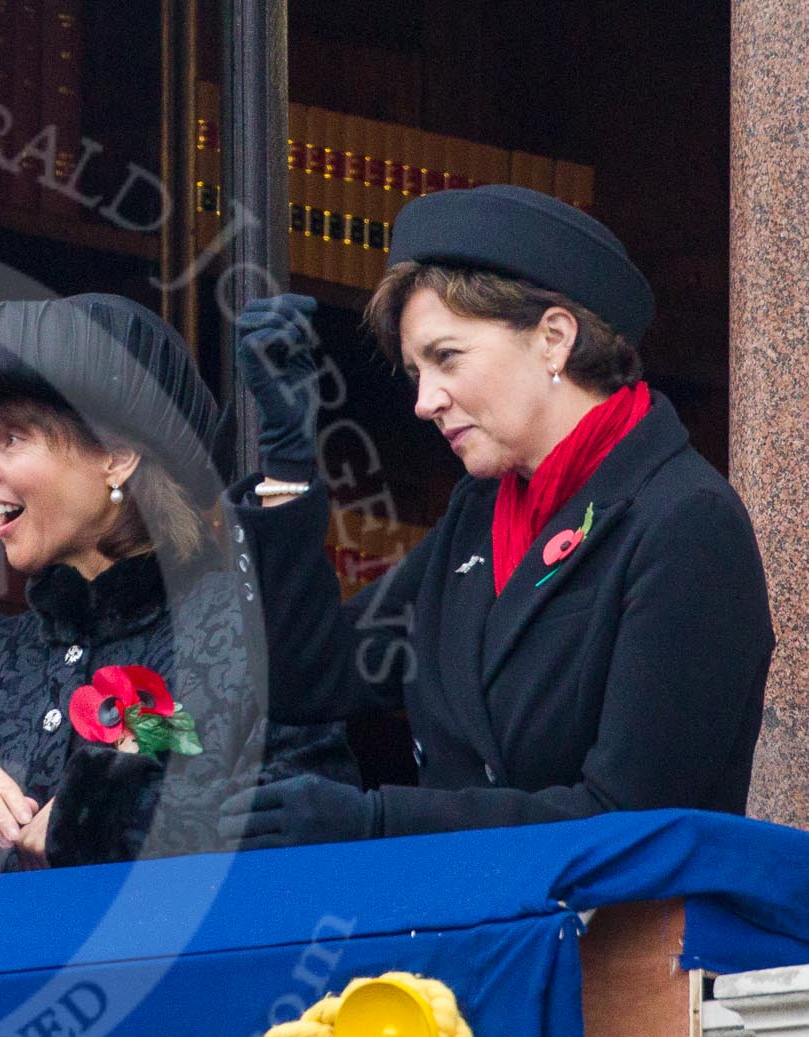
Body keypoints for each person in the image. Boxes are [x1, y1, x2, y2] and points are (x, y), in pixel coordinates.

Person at [220, 184, 773, 847]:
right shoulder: (477, 518)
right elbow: (306, 679)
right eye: (415, 371)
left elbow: (635, 819)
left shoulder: (684, 521)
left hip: (611, 945)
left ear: (554, 339)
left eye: (446, 357)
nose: (425, 401)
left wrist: (380, 822)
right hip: (465, 936)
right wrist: (287, 462)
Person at [0, 292, 356, 877]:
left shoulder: (242, 624)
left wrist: (100, 818)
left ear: (116, 455)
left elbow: (312, 840)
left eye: (10, 438)